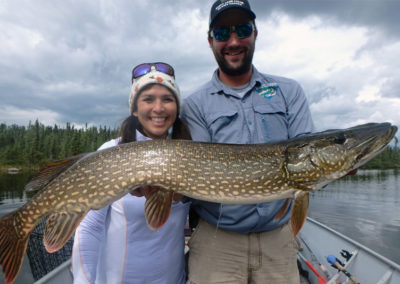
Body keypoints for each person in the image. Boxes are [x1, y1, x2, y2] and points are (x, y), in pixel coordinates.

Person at [181, 1, 314, 283]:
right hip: (217, 241)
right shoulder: (194, 105)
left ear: (255, 33)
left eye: (242, 30)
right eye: (221, 34)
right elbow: (197, 172)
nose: (233, 41)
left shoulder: (288, 91)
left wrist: (345, 158)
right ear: (210, 41)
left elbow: (306, 153)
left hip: (278, 238)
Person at [72, 62, 191, 284]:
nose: (158, 108)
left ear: (176, 107)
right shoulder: (111, 152)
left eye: (167, 99)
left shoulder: (189, 156)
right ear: (134, 109)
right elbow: (89, 228)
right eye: (148, 99)